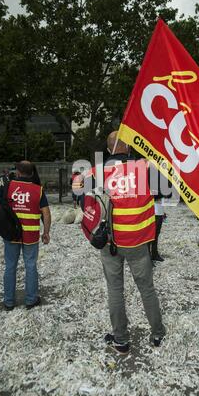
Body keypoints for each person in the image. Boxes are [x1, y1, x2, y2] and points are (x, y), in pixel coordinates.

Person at [83, 132, 166, 355]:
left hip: (108, 241)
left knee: (115, 289)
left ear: (109, 150)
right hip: (137, 241)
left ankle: (121, 339)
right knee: (146, 288)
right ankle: (157, 333)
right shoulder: (145, 168)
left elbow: (84, 201)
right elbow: (165, 191)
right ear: (130, 148)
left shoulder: (95, 172)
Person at [0, 161, 51, 310]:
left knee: (10, 267)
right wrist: (46, 232)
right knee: (31, 266)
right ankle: (31, 300)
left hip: (11, 233)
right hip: (31, 235)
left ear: (18, 172)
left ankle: (8, 302)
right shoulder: (38, 190)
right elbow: (46, 212)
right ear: (31, 172)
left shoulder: (7, 185)